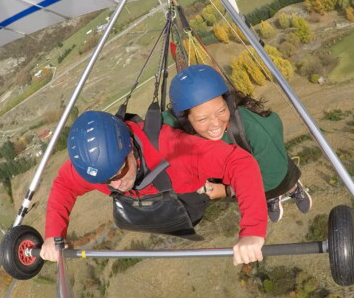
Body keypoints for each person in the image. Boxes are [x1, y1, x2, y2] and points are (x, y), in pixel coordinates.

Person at [39, 110, 268, 265]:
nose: (116, 184)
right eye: (105, 181)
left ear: (131, 149)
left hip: (190, 195)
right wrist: (53, 235)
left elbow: (240, 163)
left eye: (119, 172)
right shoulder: (98, 167)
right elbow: (64, 185)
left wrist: (252, 232)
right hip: (158, 209)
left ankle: (275, 192)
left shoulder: (174, 148)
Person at [166, 65, 312, 222]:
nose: (215, 123)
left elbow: (272, 176)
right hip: (239, 180)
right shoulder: (183, 130)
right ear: (185, 120)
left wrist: (227, 190)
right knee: (262, 194)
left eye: (221, 111)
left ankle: (294, 189)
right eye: (203, 119)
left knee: (283, 183)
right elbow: (159, 126)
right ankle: (270, 199)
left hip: (272, 174)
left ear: (228, 104)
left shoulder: (253, 128)